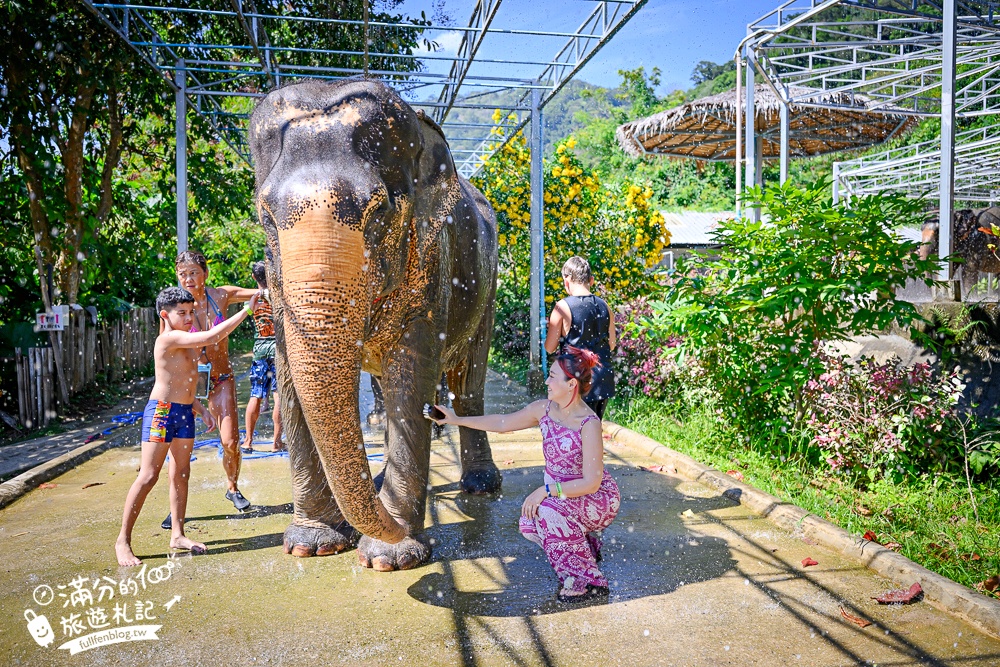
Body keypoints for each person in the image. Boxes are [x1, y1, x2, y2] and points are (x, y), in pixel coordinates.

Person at [428, 346, 620, 602]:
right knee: (530, 522)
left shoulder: (589, 423)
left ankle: (586, 581)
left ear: (571, 383)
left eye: (552, 376)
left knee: (547, 512)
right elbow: (502, 423)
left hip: (597, 498)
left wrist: (546, 491)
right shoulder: (544, 409)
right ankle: (584, 545)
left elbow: (592, 482)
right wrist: (455, 419)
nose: (547, 381)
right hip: (564, 497)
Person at [115, 287, 259, 566]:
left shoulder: (186, 340)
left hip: (183, 412)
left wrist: (201, 409)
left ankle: (178, 535)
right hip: (161, 413)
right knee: (148, 476)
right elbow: (211, 336)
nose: (189, 317)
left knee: (181, 473)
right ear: (165, 315)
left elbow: (183, 380)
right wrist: (246, 310)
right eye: (182, 313)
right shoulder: (169, 338)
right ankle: (123, 540)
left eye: (191, 311)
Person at [168, 249, 260, 518]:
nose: (188, 279)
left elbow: (259, 293)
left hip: (220, 379)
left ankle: (232, 487)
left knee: (230, 441)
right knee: (178, 450)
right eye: (182, 274)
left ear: (205, 274)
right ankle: (175, 508)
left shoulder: (220, 295)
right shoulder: (175, 307)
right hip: (188, 384)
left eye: (194, 273)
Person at [544, 256, 616, 419]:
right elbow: (611, 345)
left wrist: (554, 329)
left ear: (566, 280)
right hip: (602, 381)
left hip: (575, 381)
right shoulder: (605, 306)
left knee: (573, 433)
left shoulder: (562, 307)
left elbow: (549, 348)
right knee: (594, 428)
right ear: (590, 280)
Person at [242, 261, 283, 453]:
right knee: (278, 396)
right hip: (277, 349)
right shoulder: (279, 298)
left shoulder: (252, 300)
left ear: (253, 278)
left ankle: (248, 441)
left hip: (259, 349)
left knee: (256, 395)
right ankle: (276, 442)